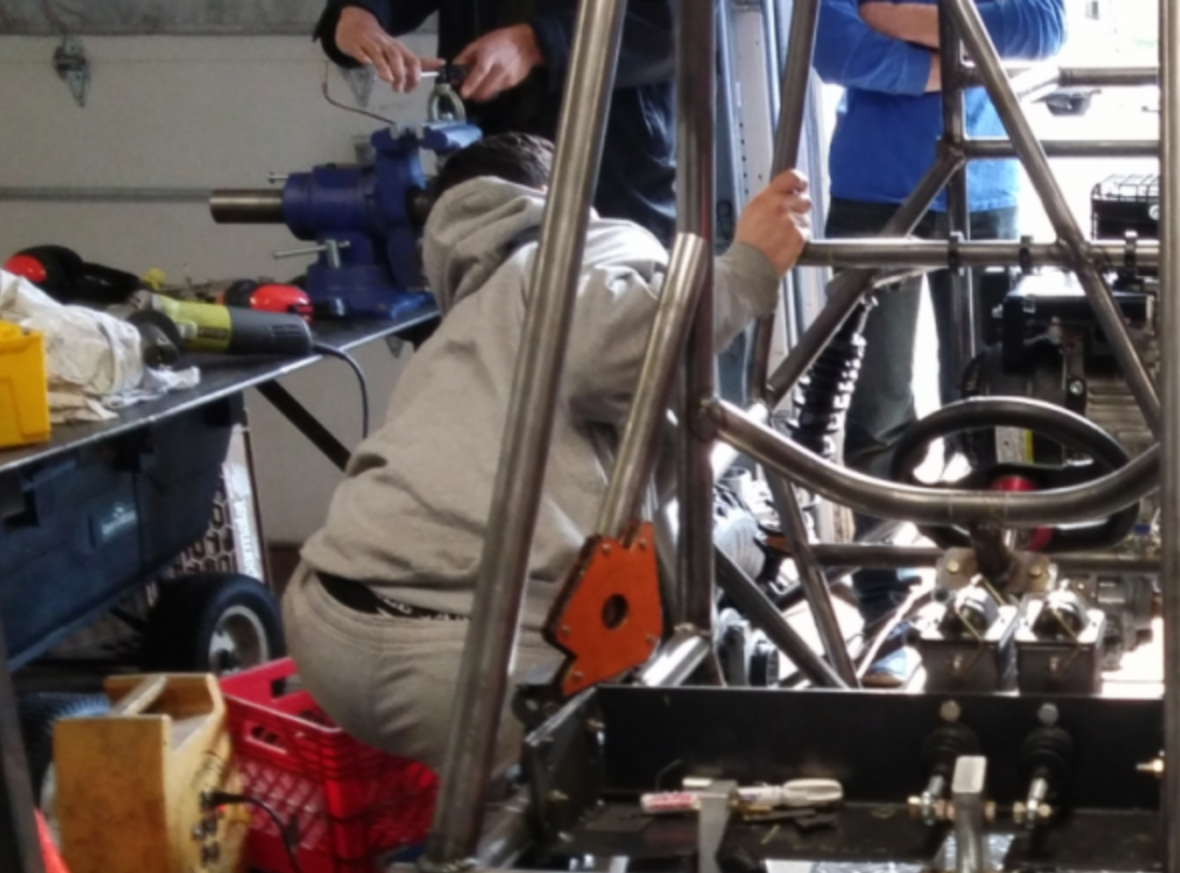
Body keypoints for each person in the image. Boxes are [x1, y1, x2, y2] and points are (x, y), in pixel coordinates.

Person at [284, 133, 811, 770]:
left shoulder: (462, 320)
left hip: (326, 630)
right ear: (559, 195)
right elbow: (620, 350)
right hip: (470, 663)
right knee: (660, 761)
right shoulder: (579, 243)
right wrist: (748, 265)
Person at [814, 0, 1065, 687]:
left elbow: (1042, 31)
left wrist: (899, 17)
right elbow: (836, 48)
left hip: (983, 181)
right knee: (873, 408)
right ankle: (884, 610)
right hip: (874, 190)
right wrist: (963, 61)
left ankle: (997, 594)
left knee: (998, 412)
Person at [316, 1, 681, 243]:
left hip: (614, 173)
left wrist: (537, 43)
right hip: (487, 168)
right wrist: (357, 15)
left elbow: (682, 24)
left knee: (620, 337)